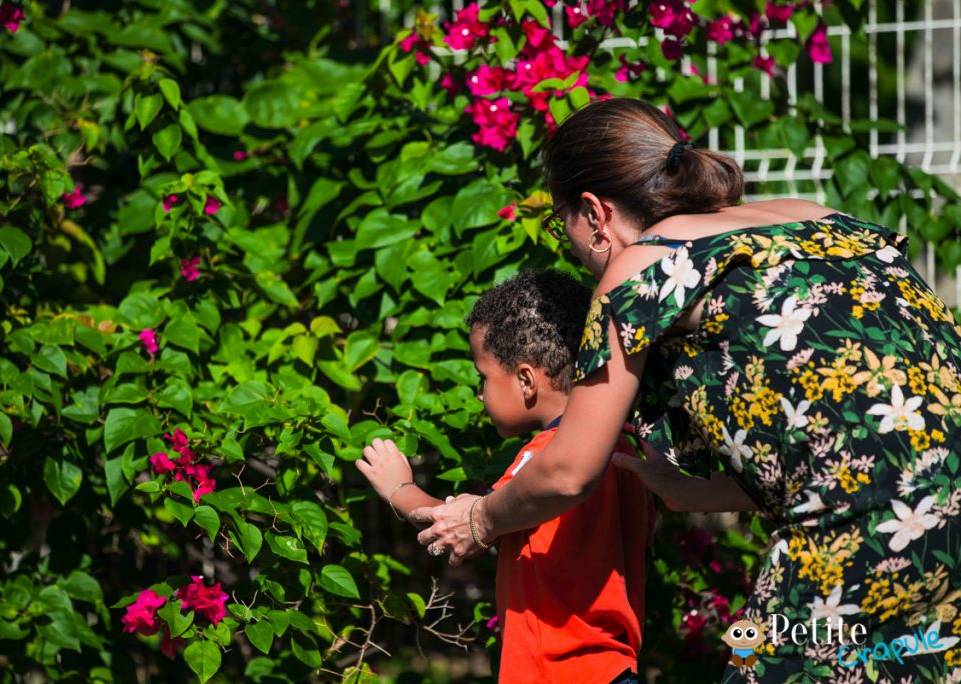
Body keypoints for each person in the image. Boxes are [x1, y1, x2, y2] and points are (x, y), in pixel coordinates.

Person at [411, 98, 961, 683]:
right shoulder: (814, 216)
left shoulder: (649, 261)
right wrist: (691, 488)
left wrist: (482, 518)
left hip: (870, 528)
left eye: (561, 224)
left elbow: (569, 471)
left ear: (596, 214)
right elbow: (869, 433)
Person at [357, 270, 652, 684]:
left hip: (556, 671)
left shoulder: (548, 456)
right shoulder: (623, 450)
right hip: (613, 666)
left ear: (527, 381)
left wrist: (398, 488)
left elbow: (461, 524)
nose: (479, 394)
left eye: (484, 377)